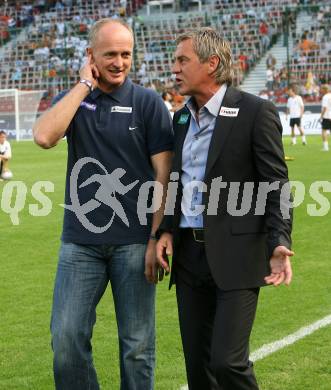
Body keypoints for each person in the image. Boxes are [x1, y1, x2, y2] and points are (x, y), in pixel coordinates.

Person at [33, 18, 173, 390]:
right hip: (80, 243)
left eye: (126, 54)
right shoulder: (78, 99)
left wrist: (155, 236)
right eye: (110, 54)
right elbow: (44, 136)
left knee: (137, 348)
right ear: (91, 56)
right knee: (65, 339)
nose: (119, 62)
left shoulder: (148, 103)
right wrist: (83, 85)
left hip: (134, 242)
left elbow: (164, 176)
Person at [155, 28, 293, 390]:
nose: (174, 68)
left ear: (211, 64)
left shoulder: (254, 112)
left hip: (238, 255)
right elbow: (176, 180)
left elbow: (275, 183)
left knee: (227, 362)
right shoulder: (182, 118)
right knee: (199, 369)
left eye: (183, 60)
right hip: (189, 258)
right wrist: (166, 229)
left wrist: (279, 241)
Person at [320, 84, 331, 152]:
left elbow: (325, 108)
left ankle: (326, 147)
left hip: (327, 116)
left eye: (322, 89)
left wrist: (321, 116)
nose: (321, 90)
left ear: (324, 90)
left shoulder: (325, 97)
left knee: (324, 131)